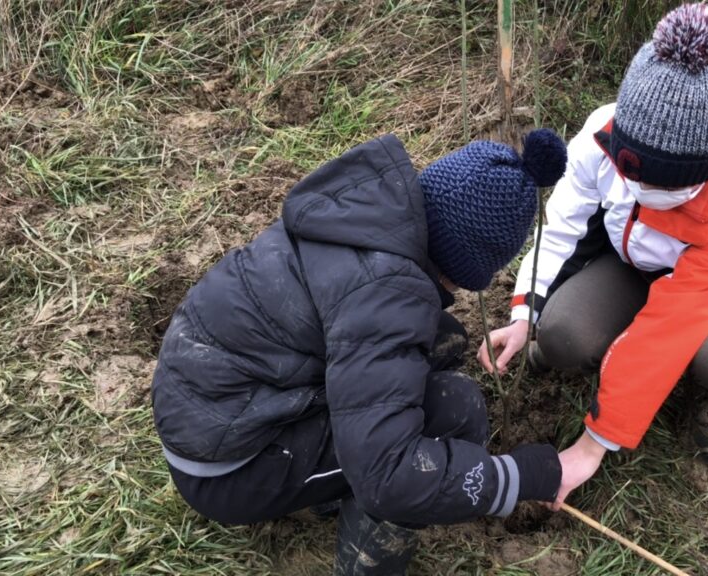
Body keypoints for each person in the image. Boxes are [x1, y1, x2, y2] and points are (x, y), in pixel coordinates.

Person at [150, 129, 568, 574]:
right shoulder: (385, 297)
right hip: (227, 467)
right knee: (457, 410)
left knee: (441, 341)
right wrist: (514, 477)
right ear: (466, 264)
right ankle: (368, 565)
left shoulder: (360, 217)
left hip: (203, 398)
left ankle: (325, 482)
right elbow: (389, 475)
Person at [477, 3, 708, 508]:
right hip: (627, 265)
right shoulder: (602, 133)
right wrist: (524, 314)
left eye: (662, 183)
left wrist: (591, 446)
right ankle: (613, 348)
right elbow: (562, 227)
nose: (637, 188)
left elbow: (677, 318)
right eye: (629, 171)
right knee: (560, 336)